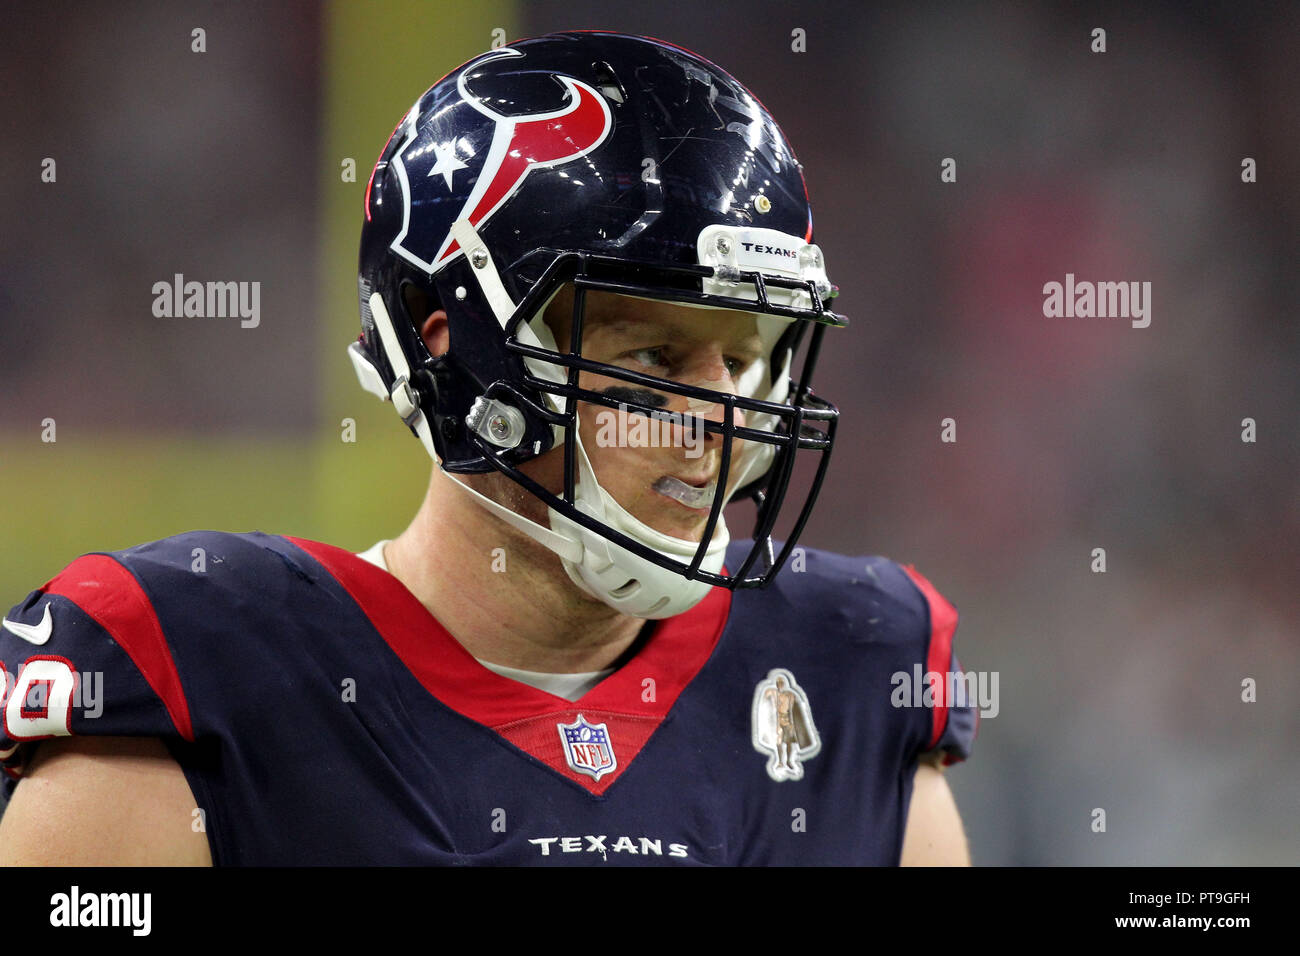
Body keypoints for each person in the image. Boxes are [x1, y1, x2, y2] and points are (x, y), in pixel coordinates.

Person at [0, 31, 975, 865]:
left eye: (742, 357)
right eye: (654, 351)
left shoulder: (850, 673)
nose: (716, 413)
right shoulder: (194, 674)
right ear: (454, 350)